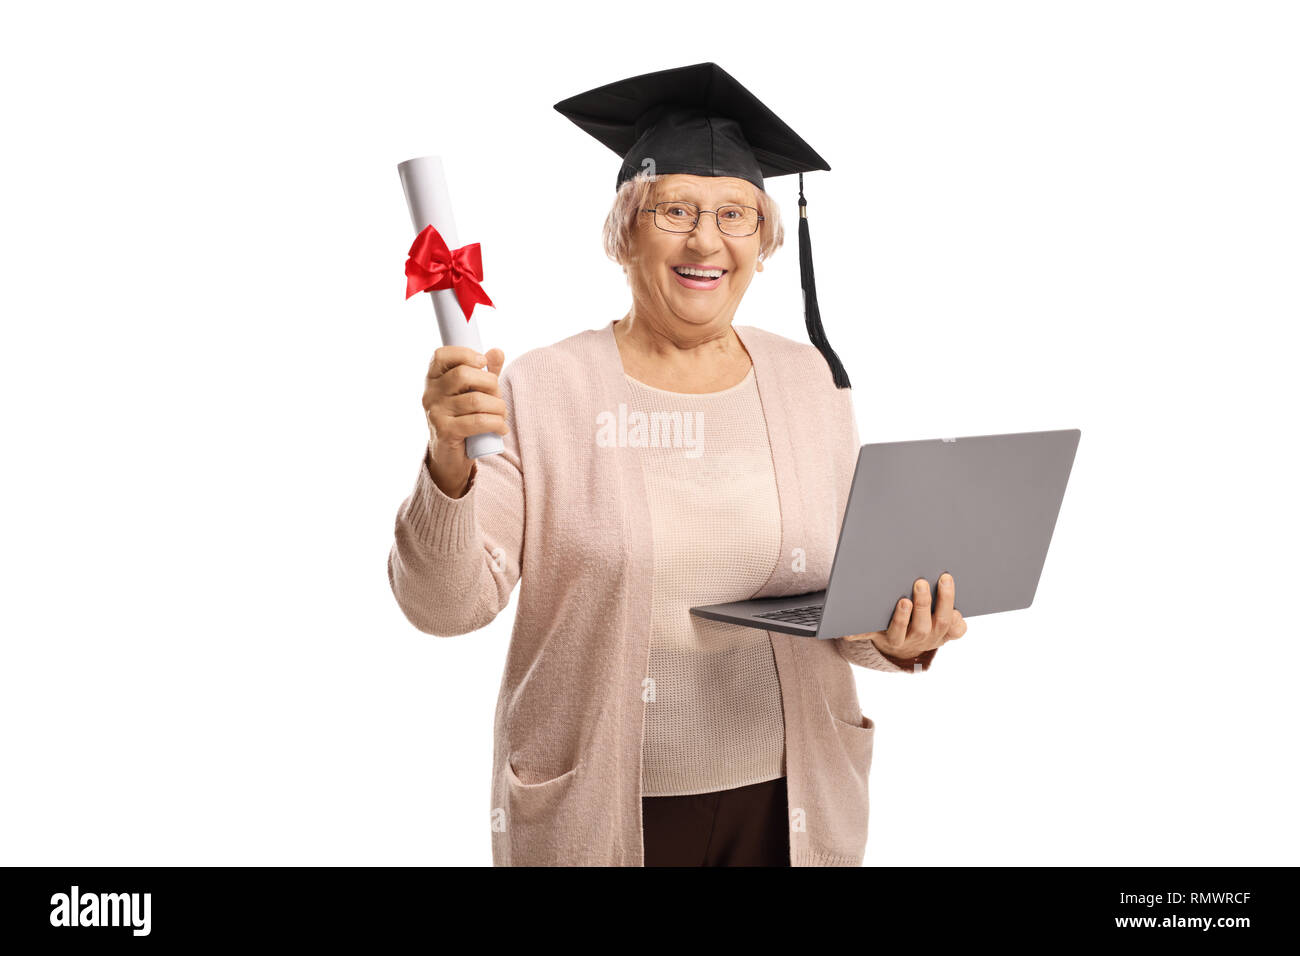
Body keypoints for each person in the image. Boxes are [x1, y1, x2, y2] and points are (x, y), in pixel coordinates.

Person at [388, 63, 967, 867]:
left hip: (791, 807)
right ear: (626, 231)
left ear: (764, 244)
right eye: (676, 211)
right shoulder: (546, 386)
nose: (707, 240)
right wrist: (449, 471)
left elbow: (840, 607)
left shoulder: (809, 381)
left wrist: (902, 638)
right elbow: (445, 606)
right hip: (601, 812)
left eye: (735, 214)